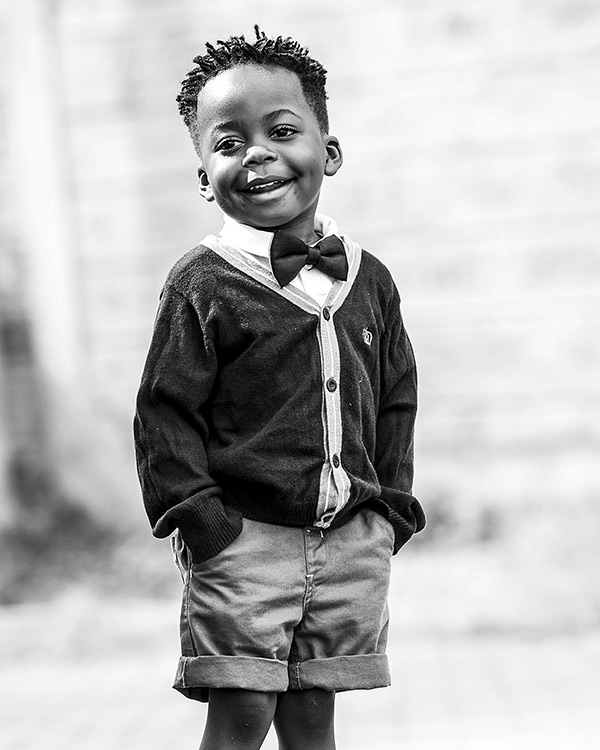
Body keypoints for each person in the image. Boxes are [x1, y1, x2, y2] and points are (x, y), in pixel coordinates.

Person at [134, 26, 425, 750]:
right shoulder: (201, 283)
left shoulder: (370, 277)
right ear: (205, 176)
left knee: (314, 713)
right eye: (227, 143)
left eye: (282, 130)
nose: (256, 152)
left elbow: (395, 396)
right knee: (239, 711)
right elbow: (164, 413)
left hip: (348, 535)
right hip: (244, 539)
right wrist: (203, 523)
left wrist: (390, 509)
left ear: (327, 151)